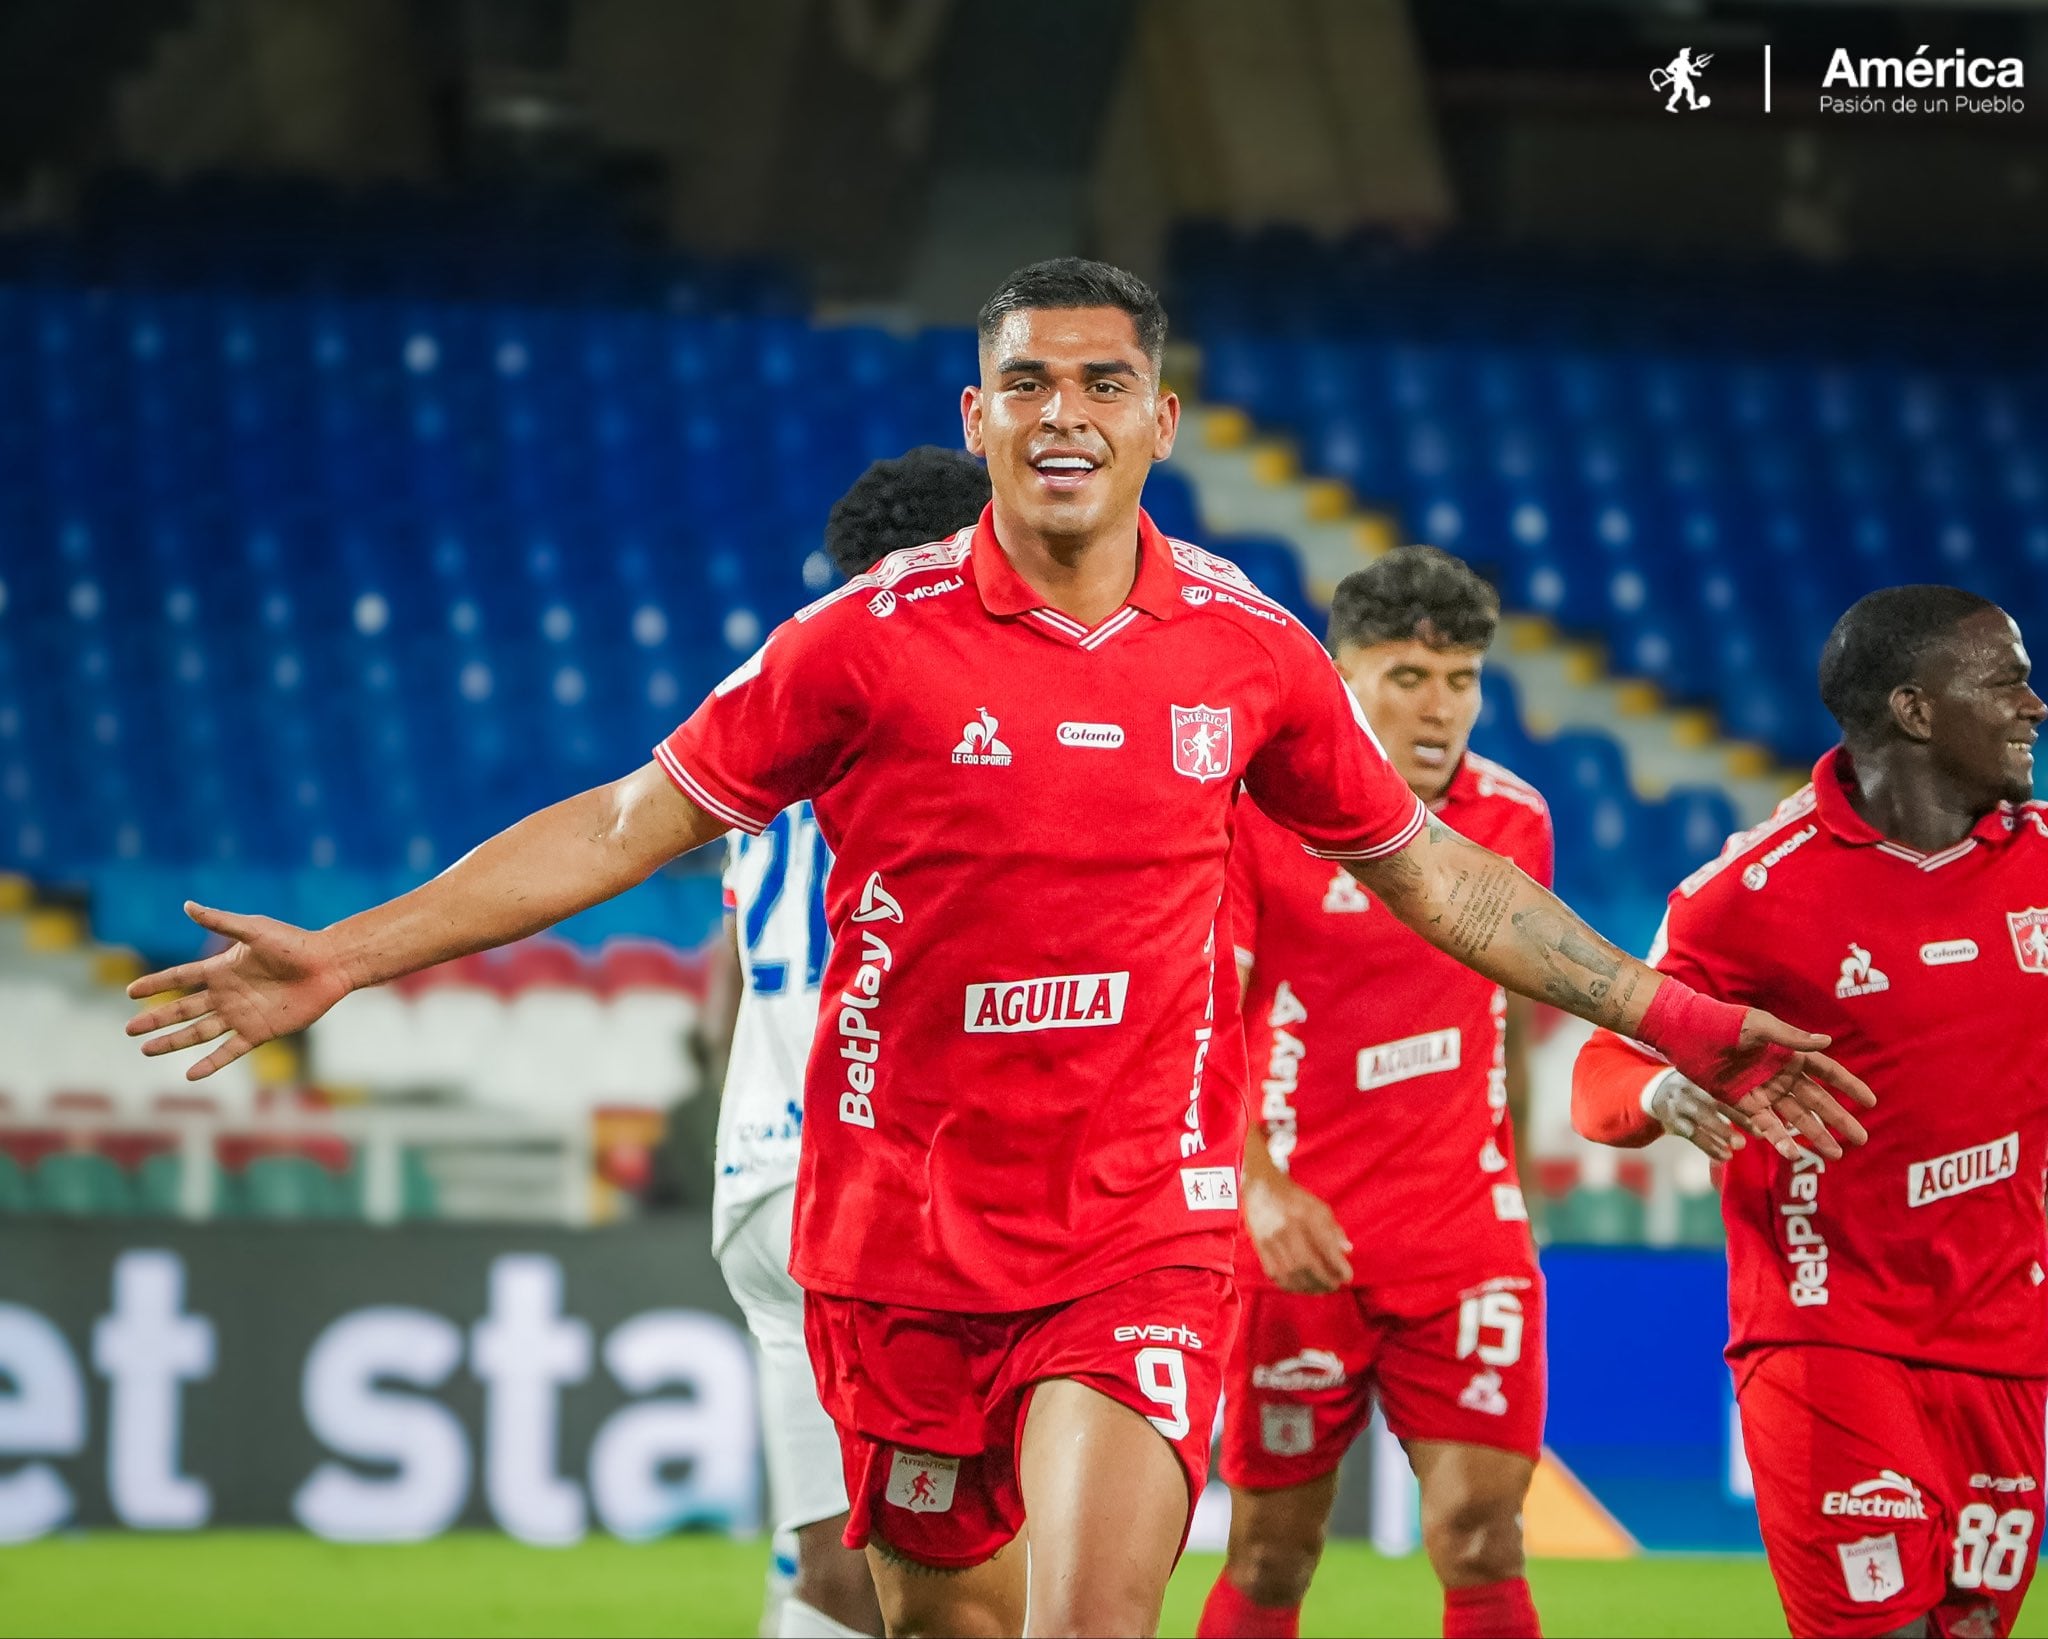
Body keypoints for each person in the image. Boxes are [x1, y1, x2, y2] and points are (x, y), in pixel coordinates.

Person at [127, 258, 1870, 1639]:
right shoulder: (855, 643)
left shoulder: (1250, 652)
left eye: (1102, 380)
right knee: (931, 1611)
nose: (1063, 410)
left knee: (1093, 1613)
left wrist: (1668, 1008)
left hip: (1139, 1222)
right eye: (1028, 378)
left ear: (1159, 419)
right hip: (895, 1232)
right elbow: (621, 821)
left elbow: (1436, 879)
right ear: (977, 412)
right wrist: (349, 954)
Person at [1571, 587, 2048, 1639]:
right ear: (1914, 710)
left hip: (2006, 1342)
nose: (2033, 705)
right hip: (1825, 1327)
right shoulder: (1745, 895)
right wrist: (1663, 1088)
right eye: (2004, 679)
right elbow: (1600, 1068)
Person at [1199, 547, 1553, 1639]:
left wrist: (1516, 1203)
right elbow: (1203, 1025)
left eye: (1459, 679)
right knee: (1270, 1556)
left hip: (1461, 1237)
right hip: (1298, 1238)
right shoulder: (1259, 818)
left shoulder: (1514, 822)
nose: (1437, 708)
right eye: (1404, 677)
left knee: (1482, 1538)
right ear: (1341, 678)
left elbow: (1504, 1035)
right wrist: (1254, 1188)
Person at [711, 449, 992, 1639]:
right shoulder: (954, 685)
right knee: (964, 1575)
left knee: (832, 1566)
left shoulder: (758, 682)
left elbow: (730, 949)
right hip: (889, 1179)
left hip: (758, 1172)